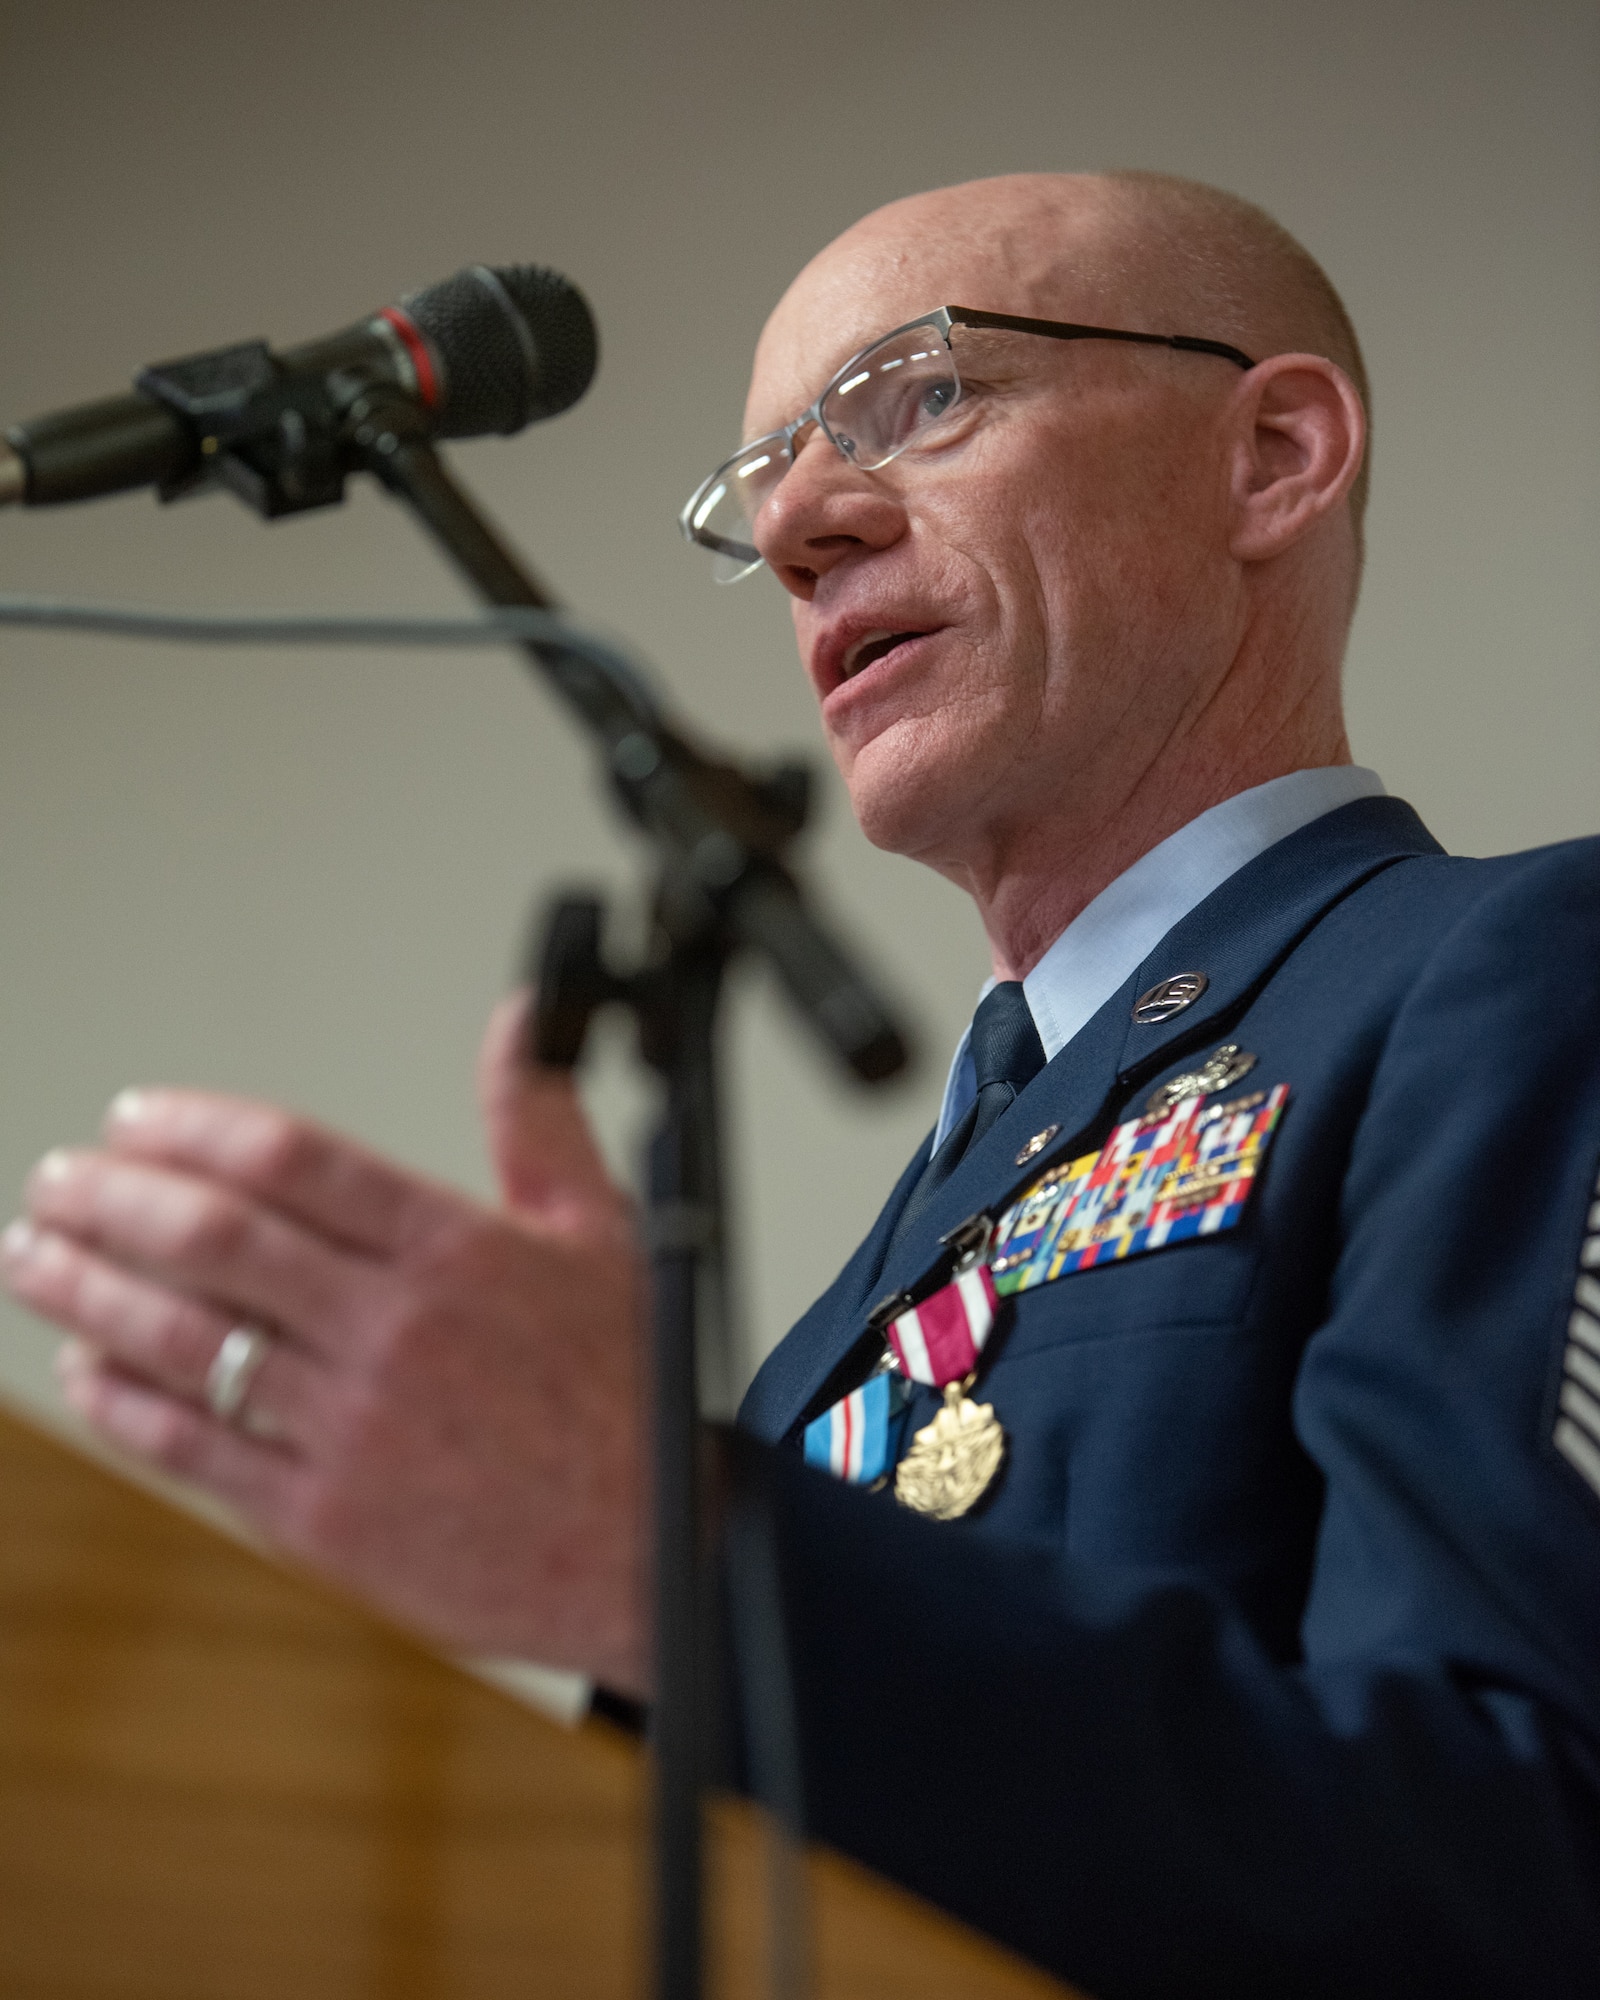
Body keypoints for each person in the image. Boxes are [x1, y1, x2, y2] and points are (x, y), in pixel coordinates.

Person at [4, 171, 1599, 1995]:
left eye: (918, 398)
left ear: (1277, 453)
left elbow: (1522, 1860)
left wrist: (671, 1543)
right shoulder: (855, 1297)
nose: (804, 530)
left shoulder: (1519, 973)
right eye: (761, 486)